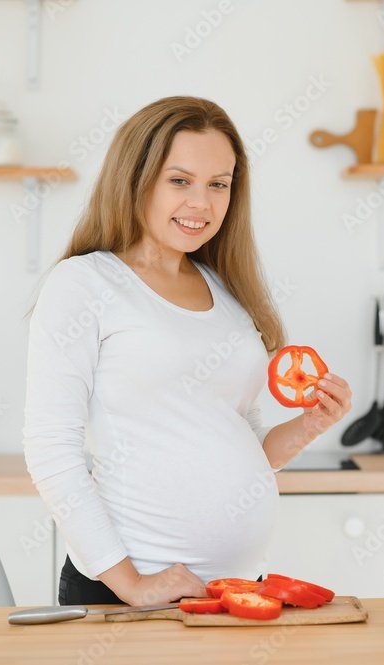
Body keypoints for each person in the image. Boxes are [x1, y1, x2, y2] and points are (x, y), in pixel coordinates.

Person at [22, 96, 352, 607]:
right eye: (180, 181)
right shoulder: (85, 284)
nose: (202, 203)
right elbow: (50, 450)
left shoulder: (226, 292)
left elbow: (247, 446)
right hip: (132, 595)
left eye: (218, 184)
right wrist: (131, 585)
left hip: (236, 591)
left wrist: (309, 425)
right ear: (135, 179)